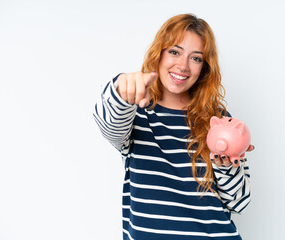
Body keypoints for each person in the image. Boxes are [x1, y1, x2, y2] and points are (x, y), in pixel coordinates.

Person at [94, 13, 254, 240]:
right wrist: (121, 89)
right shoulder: (135, 111)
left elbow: (239, 201)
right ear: (159, 53)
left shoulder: (217, 119)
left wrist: (226, 167)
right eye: (174, 52)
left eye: (196, 58)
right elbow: (108, 125)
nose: (183, 66)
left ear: (204, 68)